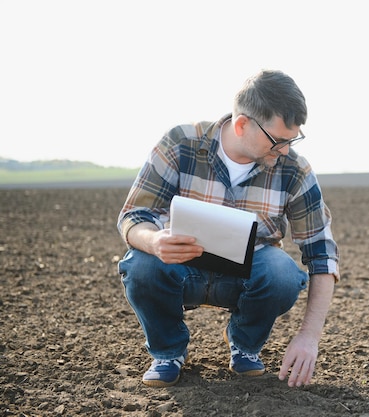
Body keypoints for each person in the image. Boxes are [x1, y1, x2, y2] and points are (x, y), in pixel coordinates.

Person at [116, 69, 339, 389]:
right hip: (179, 269)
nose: (286, 150)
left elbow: (322, 252)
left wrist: (308, 337)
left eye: (293, 140)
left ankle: (245, 344)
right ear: (242, 124)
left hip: (248, 275)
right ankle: (168, 352)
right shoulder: (182, 143)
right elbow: (133, 215)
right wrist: (153, 241)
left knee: (283, 273)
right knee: (141, 264)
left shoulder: (294, 170)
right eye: (278, 140)